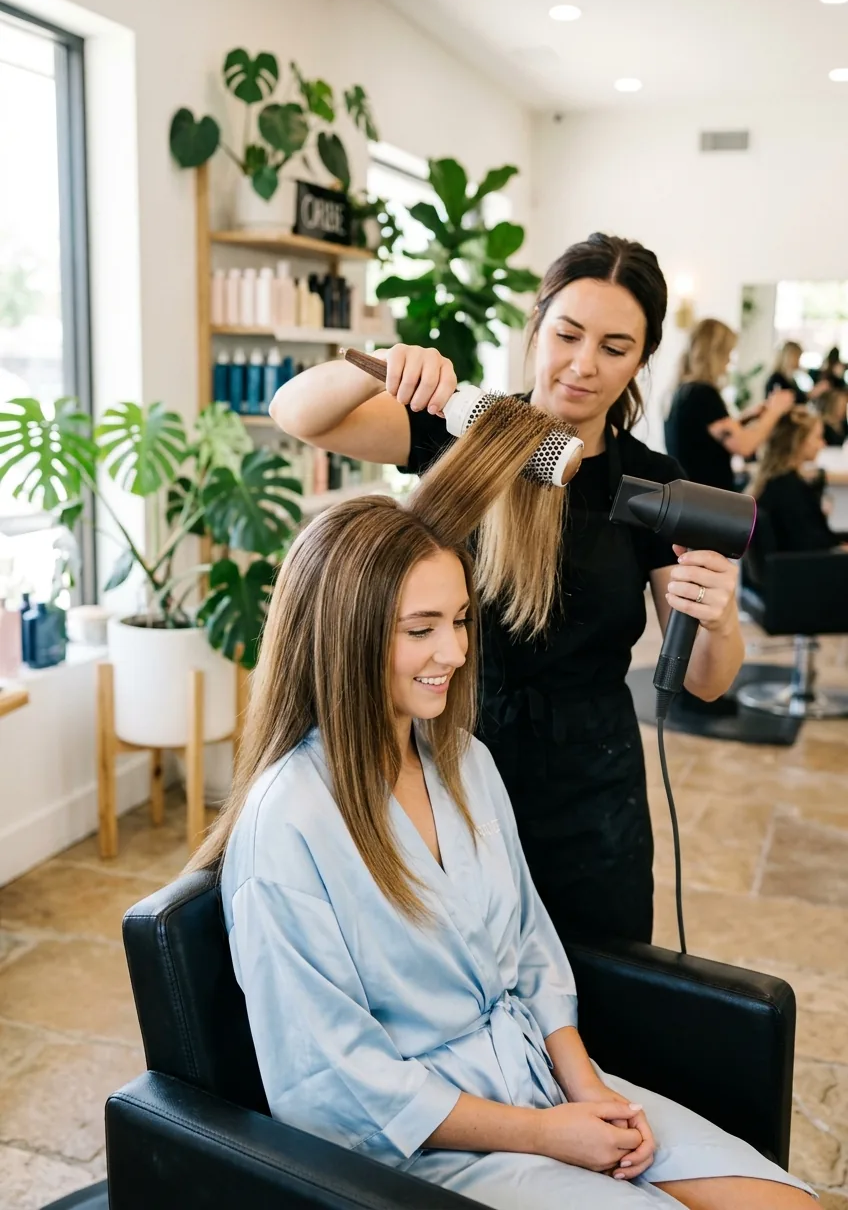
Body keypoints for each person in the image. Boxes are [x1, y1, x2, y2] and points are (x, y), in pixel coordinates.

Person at [193, 472, 813, 1210]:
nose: (455, 652)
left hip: (537, 1076)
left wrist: (588, 1090)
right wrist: (544, 1135)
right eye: (421, 629)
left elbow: (530, 945)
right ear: (343, 637)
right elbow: (333, 1081)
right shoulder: (288, 825)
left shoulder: (463, 763)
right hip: (422, 1148)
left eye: (460, 620)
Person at [270, 233, 746, 945]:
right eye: (567, 334)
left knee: (597, 977)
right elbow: (297, 413)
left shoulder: (653, 483)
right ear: (537, 324)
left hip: (592, 786)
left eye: (615, 348)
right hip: (451, 758)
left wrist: (720, 621)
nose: (583, 365)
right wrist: (385, 366)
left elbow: (706, 683)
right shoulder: (464, 433)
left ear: (643, 360)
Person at [664, 319, 795, 491]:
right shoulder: (702, 394)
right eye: (727, 353)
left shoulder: (684, 391)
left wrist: (748, 417)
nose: (728, 361)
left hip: (690, 495)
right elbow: (745, 446)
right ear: (715, 354)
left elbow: (706, 437)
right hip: (705, 499)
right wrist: (775, 411)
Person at [751, 408, 848, 553]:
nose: (822, 444)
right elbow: (811, 546)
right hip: (808, 563)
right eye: (818, 437)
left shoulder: (777, 483)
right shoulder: (788, 489)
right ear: (799, 441)